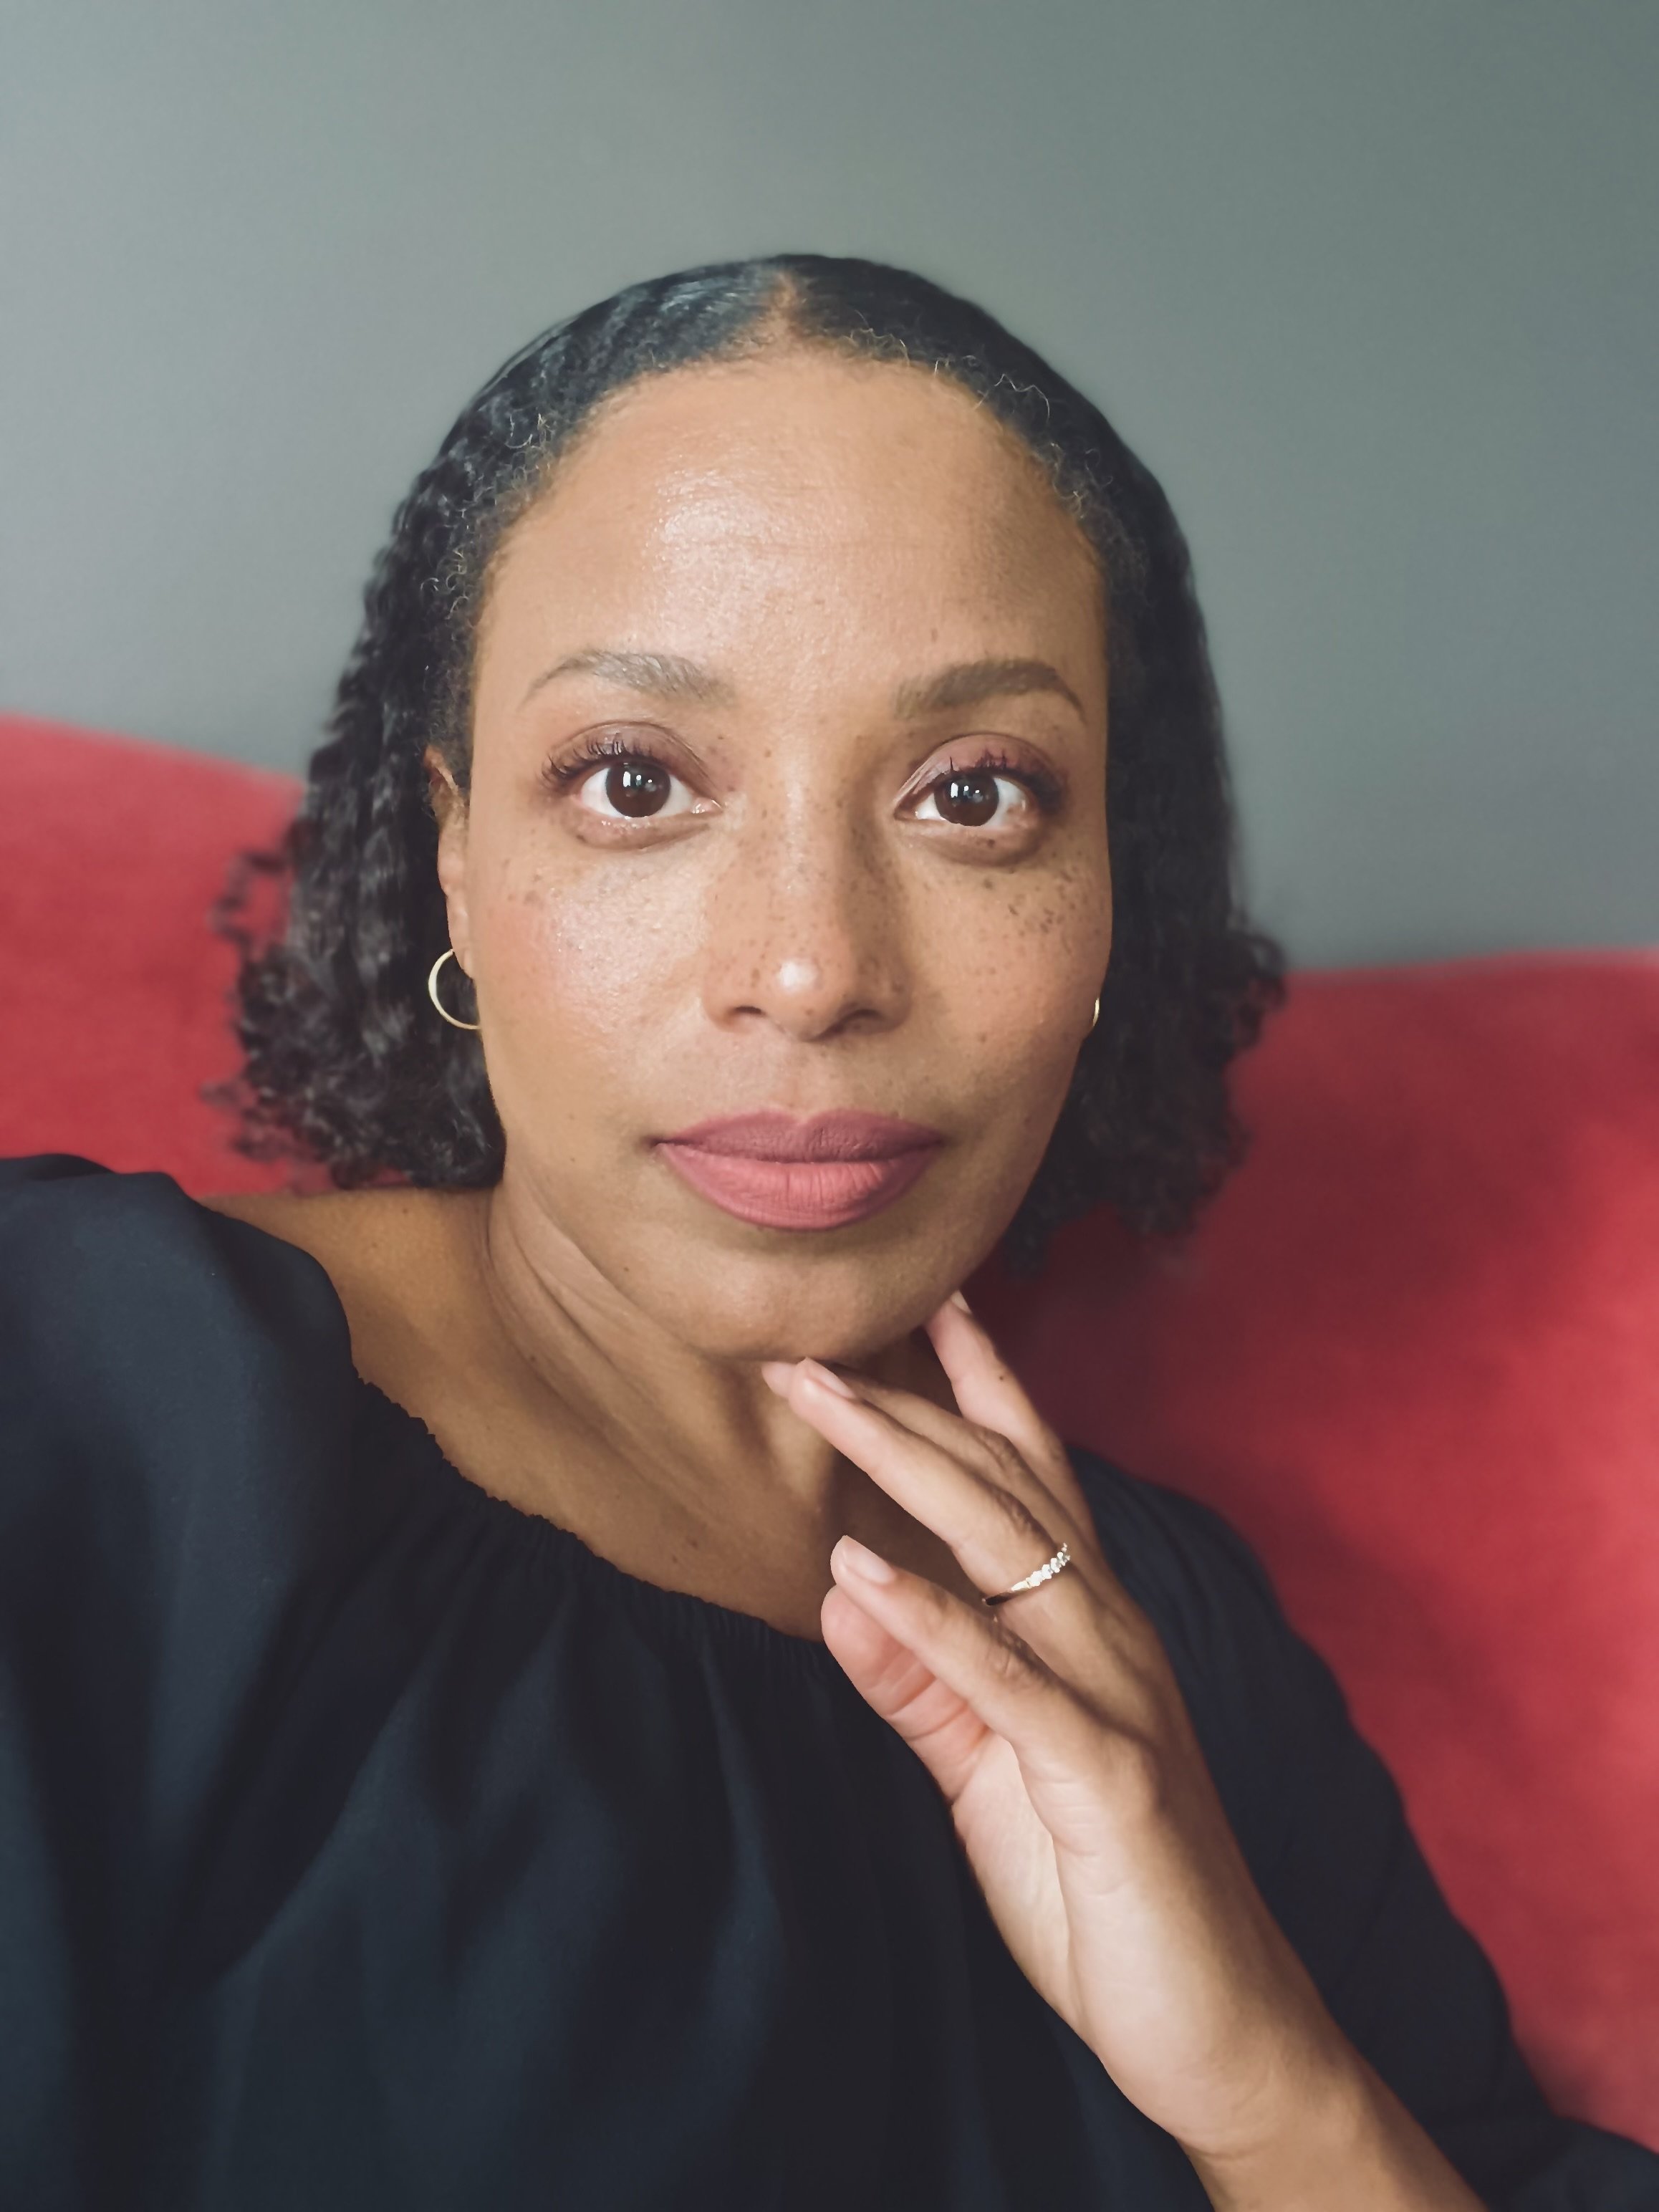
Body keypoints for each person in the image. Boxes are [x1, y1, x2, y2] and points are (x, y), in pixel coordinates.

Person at [1, 256, 1653, 2212]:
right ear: (455, 856)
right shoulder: (89, 1395)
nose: (810, 968)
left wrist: (1267, 2086)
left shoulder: (1175, 1641)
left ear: (1108, 898)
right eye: (635, 783)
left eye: (975, 795)